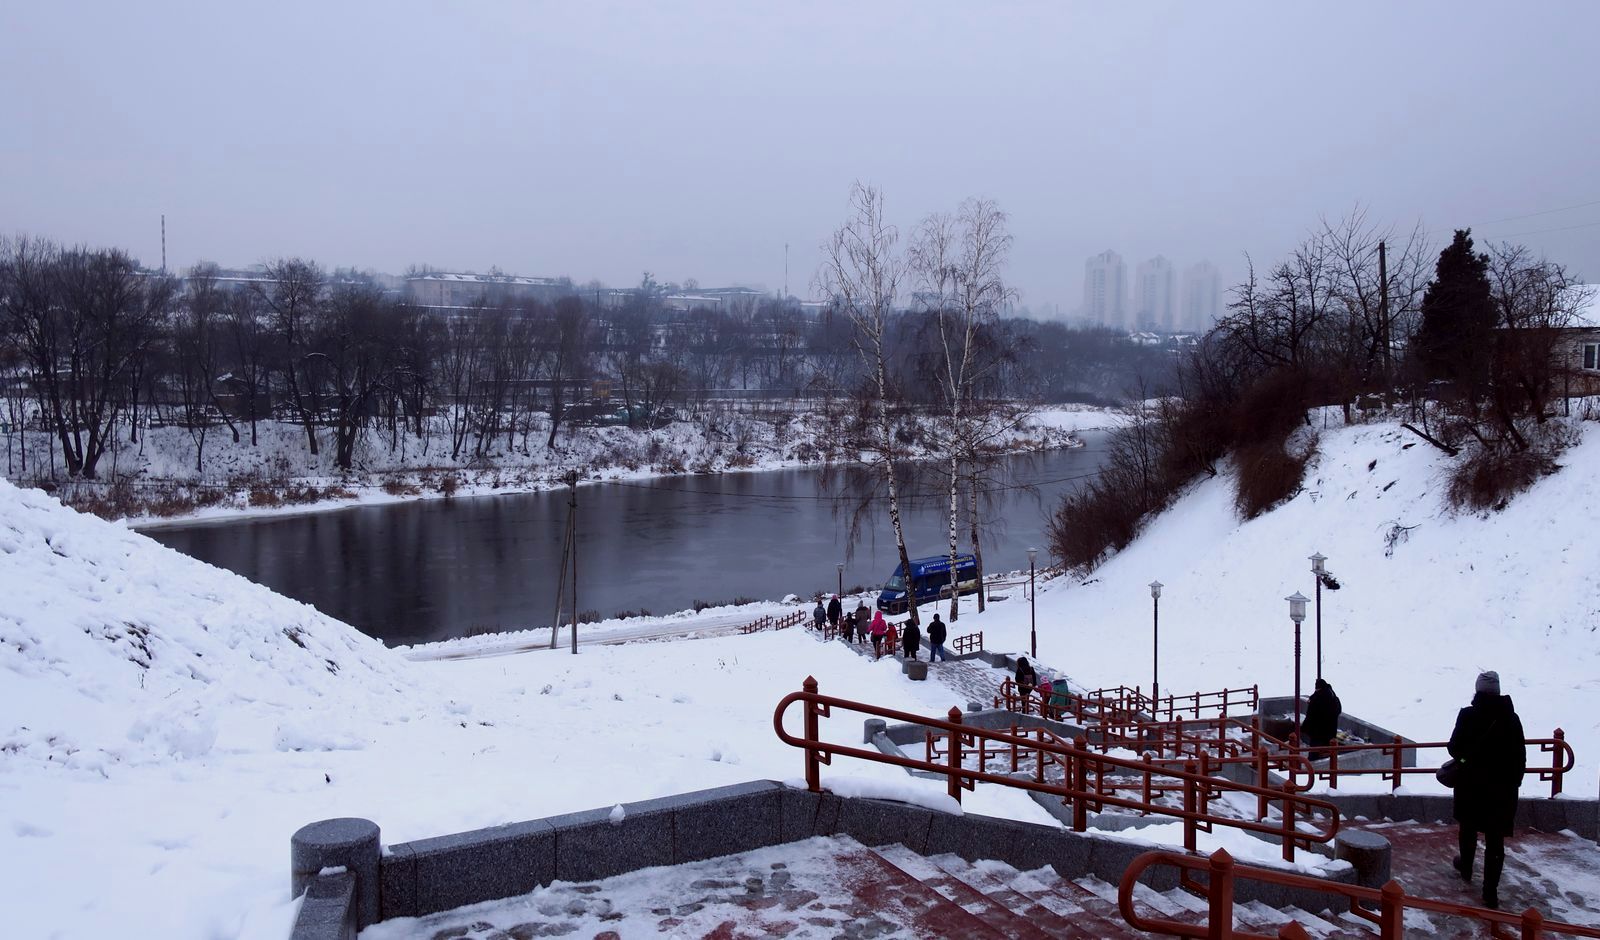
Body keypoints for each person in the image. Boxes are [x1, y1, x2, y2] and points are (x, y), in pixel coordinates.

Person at [1448, 670, 1526, 910]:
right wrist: (1514, 783)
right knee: (1495, 840)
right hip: (1502, 791)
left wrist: (1466, 762)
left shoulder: (1468, 715)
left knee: (1468, 828)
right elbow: (1520, 756)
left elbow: (1454, 747)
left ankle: (1467, 867)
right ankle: (1490, 892)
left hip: (1471, 786)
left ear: (1478, 690)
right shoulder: (1512, 719)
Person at [1302, 678, 1343, 757]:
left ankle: (1313, 765)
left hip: (1317, 732)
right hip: (1330, 732)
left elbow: (1310, 716)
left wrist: (1304, 727)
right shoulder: (1333, 696)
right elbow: (1339, 710)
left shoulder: (1317, 700)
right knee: (1329, 755)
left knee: (1314, 753)